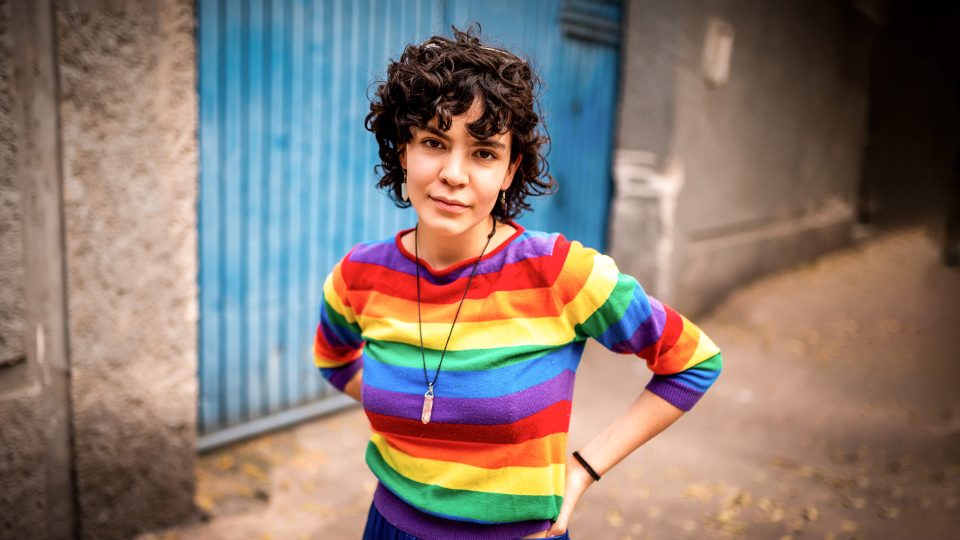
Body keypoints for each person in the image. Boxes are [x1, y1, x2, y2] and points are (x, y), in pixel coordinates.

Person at [312, 27, 722, 540]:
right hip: (389, 527)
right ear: (402, 152)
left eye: (483, 152)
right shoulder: (359, 275)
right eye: (434, 143)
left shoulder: (558, 272)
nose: (454, 174)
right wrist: (407, 407)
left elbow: (694, 362)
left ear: (510, 170)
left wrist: (581, 471)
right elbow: (333, 359)